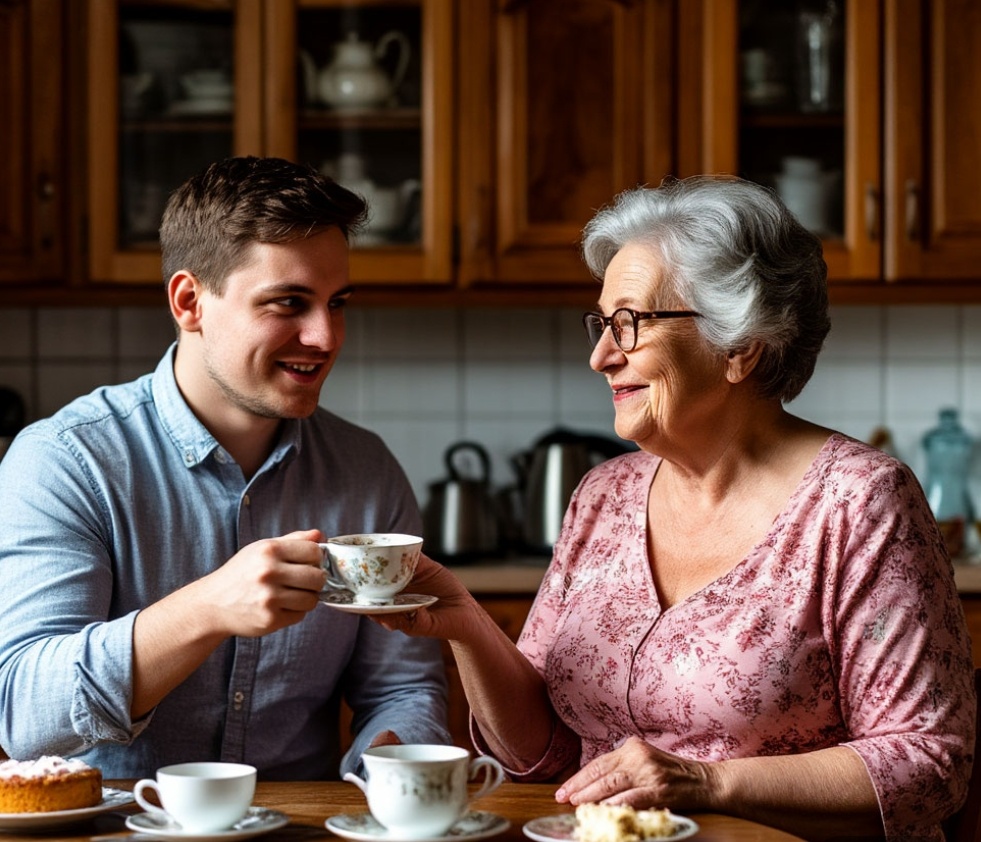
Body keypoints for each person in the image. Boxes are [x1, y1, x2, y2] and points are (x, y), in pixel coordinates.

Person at [379, 176, 976, 841]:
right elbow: (541, 756)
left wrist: (704, 781)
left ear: (739, 345)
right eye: (601, 324)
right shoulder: (602, 496)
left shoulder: (858, 502)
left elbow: (928, 763)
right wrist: (463, 620)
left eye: (628, 323)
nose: (600, 356)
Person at [0, 156, 449, 779]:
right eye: (288, 302)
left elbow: (402, 688)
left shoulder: (366, 471)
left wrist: (391, 769)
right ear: (190, 301)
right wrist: (207, 608)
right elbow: (22, 714)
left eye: (337, 302)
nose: (325, 336)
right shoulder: (65, 462)